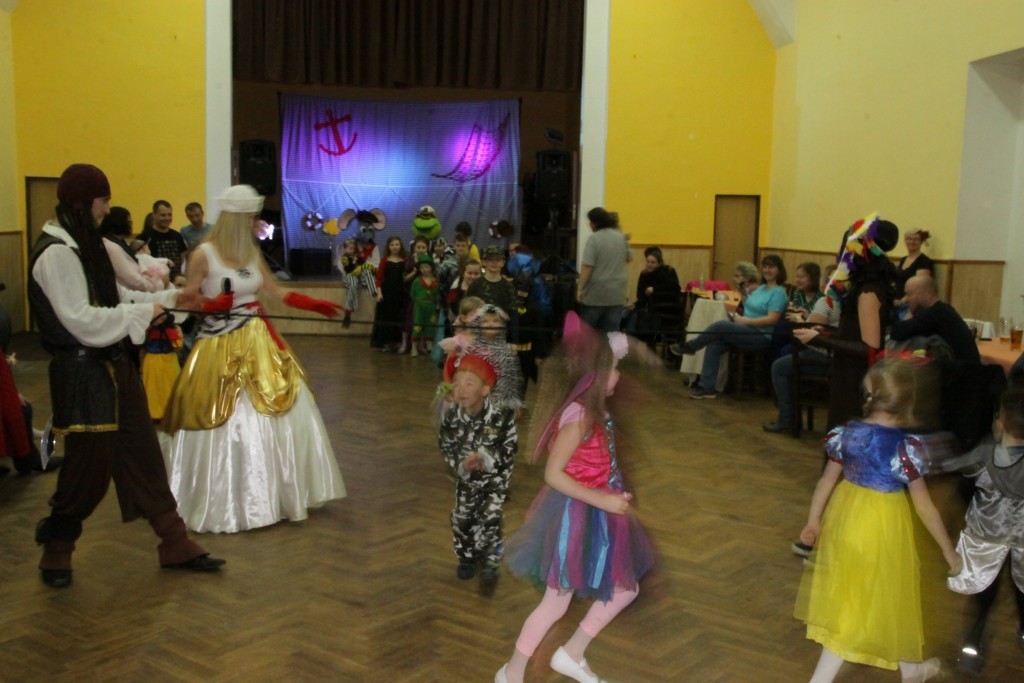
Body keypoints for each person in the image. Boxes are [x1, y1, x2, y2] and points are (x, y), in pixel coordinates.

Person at [27, 163, 224, 587]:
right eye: (103, 202)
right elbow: (81, 320)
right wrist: (147, 312)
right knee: (89, 467)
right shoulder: (56, 253)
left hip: (115, 366)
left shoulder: (87, 245)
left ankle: (174, 540)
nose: (106, 210)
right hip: (82, 374)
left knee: (143, 452)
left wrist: (175, 299)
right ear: (83, 203)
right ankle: (57, 546)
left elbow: (120, 298)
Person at [160, 185, 346, 533]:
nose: (253, 224)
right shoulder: (204, 255)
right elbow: (185, 299)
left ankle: (279, 494)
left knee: (285, 402)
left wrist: (314, 304)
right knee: (221, 413)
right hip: (218, 344)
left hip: (258, 338)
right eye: (249, 218)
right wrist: (210, 304)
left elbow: (275, 291)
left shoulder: (250, 252)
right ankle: (225, 498)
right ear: (235, 218)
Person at [497, 313, 654, 683]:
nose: (618, 376)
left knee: (625, 588)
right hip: (574, 516)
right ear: (594, 377)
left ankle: (572, 652)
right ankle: (511, 672)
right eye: (614, 369)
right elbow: (553, 475)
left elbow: (595, 462)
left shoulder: (594, 410)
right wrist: (604, 501)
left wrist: (612, 489)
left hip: (597, 511)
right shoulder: (579, 417)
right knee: (556, 601)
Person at [794, 358, 962, 683]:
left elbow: (827, 480)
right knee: (861, 602)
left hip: (846, 522)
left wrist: (813, 520)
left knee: (881, 594)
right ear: (907, 403)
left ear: (868, 394)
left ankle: (911, 669)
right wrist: (947, 550)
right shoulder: (904, 448)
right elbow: (924, 506)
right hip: (881, 528)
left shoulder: (847, 434)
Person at [941, 388, 1024, 675]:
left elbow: (956, 473)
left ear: (1000, 422)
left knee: (984, 595)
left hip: (986, 537)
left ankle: (972, 647)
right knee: (1022, 588)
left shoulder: (985, 453)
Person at [794, 214, 899, 427]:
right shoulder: (863, 288)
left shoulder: (868, 292)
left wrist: (820, 340)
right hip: (845, 371)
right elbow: (855, 333)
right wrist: (827, 333)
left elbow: (870, 348)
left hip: (855, 378)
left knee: (847, 434)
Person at [438, 352, 517, 584]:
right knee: (462, 518)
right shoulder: (451, 418)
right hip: (466, 479)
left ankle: (491, 560)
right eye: (456, 384)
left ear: (485, 390)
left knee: (490, 516)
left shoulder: (501, 416)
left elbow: (510, 447)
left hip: (495, 478)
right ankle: (467, 557)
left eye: (469, 384)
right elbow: (446, 446)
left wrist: (487, 458)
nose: (461, 389)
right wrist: (461, 464)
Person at [677, 255, 789, 400]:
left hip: (761, 336)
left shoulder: (779, 292)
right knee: (714, 343)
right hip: (746, 330)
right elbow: (749, 308)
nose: (767, 270)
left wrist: (744, 321)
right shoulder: (761, 288)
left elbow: (772, 319)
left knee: (720, 326)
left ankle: (691, 346)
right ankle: (707, 387)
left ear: (779, 270)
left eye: (771, 267)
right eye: (765, 267)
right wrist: (736, 309)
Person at [764, 263, 841, 434]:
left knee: (779, 366)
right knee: (784, 350)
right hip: (841, 356)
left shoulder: (826, 302)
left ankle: (787, 419)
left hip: (825, 356)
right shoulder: (849, 303)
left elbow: (812, 336)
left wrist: (801, 321)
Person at [888, 275, 979, 363]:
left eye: (909, 294)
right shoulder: (944, 309)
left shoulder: (934, 314)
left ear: (927, 294)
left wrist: (907, 318)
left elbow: (897, 332)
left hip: (962, 371)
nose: (906, 299)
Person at [576, 207, 629, 333]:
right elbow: (628, 258)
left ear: (595, 223)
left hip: (596, 294)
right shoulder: (621, 237)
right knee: (612, 334)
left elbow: (587, 266)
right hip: (617, 294)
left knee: (588, 333)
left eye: (590, 221)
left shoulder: (594, 239)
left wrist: (580, 288)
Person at [625, 246, 681, 343]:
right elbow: (641, 296)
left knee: (638, 318)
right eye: (648, 261)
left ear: (659, 263)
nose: (649, 265)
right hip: (651, 308)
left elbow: (675, 289)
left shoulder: (668, 271)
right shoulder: (644, 274)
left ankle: (639, 343)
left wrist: (655, 290)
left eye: (653, 262)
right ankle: (631, 343)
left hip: (668, 310)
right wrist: (635, 305)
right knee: (627, 313)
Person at [100, 207, 164, 292]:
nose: (131, 226)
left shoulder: (121, 242)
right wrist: (151, 287)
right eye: (129, 222)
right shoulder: (111, 246)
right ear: (119, 223)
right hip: (130, 291)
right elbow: (128, 276)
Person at [371, 236, 408, 352]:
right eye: (392, 245)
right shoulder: (385, 260)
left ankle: (397, 342)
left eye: (397, 244)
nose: (395, 247)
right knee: (387, 317)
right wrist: (379, 293)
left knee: (399, 317)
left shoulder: (405, 260)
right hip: (387, 293)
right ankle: (386, 342)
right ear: (388, 247)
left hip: (400, 294)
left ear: (401, 246)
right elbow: (378, 279)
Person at [139, 200, 187, 280]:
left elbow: (182, 258)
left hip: (176, 280)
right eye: (163, 215)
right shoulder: (144, 237)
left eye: (169, 215)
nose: (167, 218)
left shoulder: (177, 236)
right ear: (154, 215)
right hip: (154, 281)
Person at [467, 245, 518, 317]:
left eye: (498, 260)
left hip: (501, 323)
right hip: (478, 323)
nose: (494, 262)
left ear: (503, 263)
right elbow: (468, 310)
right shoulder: (475, 285)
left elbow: (513, 314)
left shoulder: (509, 287)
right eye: (491, 259)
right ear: (484, 262)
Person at [410, 253, 439, 357]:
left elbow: (437, 294)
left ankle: (429, 346)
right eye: (422, 267)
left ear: (431, 268)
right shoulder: (417, 281)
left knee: (430, 325)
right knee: (417, 325)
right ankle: (414, 348)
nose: (424, 269)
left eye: (426, 267)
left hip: (431, 306)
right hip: (419, 306)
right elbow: (412, 294)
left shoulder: (435, 281)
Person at [895, 228, 934, 301]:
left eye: (915, 239)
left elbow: (920, 287)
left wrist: (902, 302)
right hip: (897, 300)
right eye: (909, 239)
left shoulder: (924, 261)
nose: (912, 242)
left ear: (921, 242)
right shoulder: (903, 259)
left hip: (913, 302)